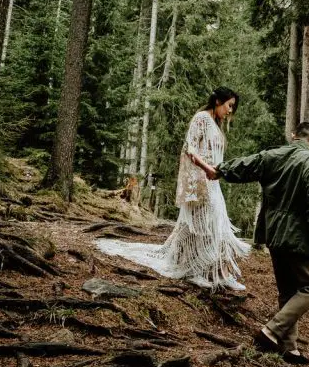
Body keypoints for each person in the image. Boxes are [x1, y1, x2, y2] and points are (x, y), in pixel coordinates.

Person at [194, 121, 309, 364]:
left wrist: (220, 170)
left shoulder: (273, 156)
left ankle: (288, 348)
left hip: (273, 233)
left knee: (288, 290)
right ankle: (271, 330)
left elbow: (246, 165)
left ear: (293, 136)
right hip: (298, 236)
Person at [97, 87, 250, 291]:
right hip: (199, 182)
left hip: (212, 183)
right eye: (229, 105)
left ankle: (218, 273)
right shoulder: (201, 118)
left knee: (213, 226)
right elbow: (190, 149)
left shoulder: (215, 123)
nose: (231, 110)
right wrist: (207, 169)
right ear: (218, 101)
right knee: (200, 227)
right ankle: (194, 270)